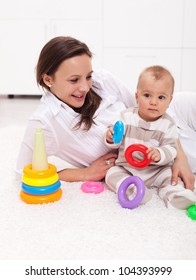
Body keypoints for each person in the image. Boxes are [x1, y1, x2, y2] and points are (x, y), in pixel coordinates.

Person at [16, 36, 195, 191]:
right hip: (154, 164)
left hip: (175, 120)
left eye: (88, 76)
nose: (85, 87)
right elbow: (22, 175)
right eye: (74, 80)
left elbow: (148, 110)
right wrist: (84, 173)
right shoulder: (45, 122)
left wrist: (181, 158)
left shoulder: (104, 81)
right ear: (48, 79)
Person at [105, 65, 196, 209]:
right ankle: (133, 190)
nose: (153, 102)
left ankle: (175, 195)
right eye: (147, 95)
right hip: (128, 168)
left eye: (161, 97)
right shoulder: (125, 116)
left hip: (156, 170)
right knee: (111, 174)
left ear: (169, 101)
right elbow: (116, 140)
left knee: (170, 177)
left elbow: (172, 149)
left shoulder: (168, 124)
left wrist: (159, 154)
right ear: (137, 96)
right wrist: (111, 137)